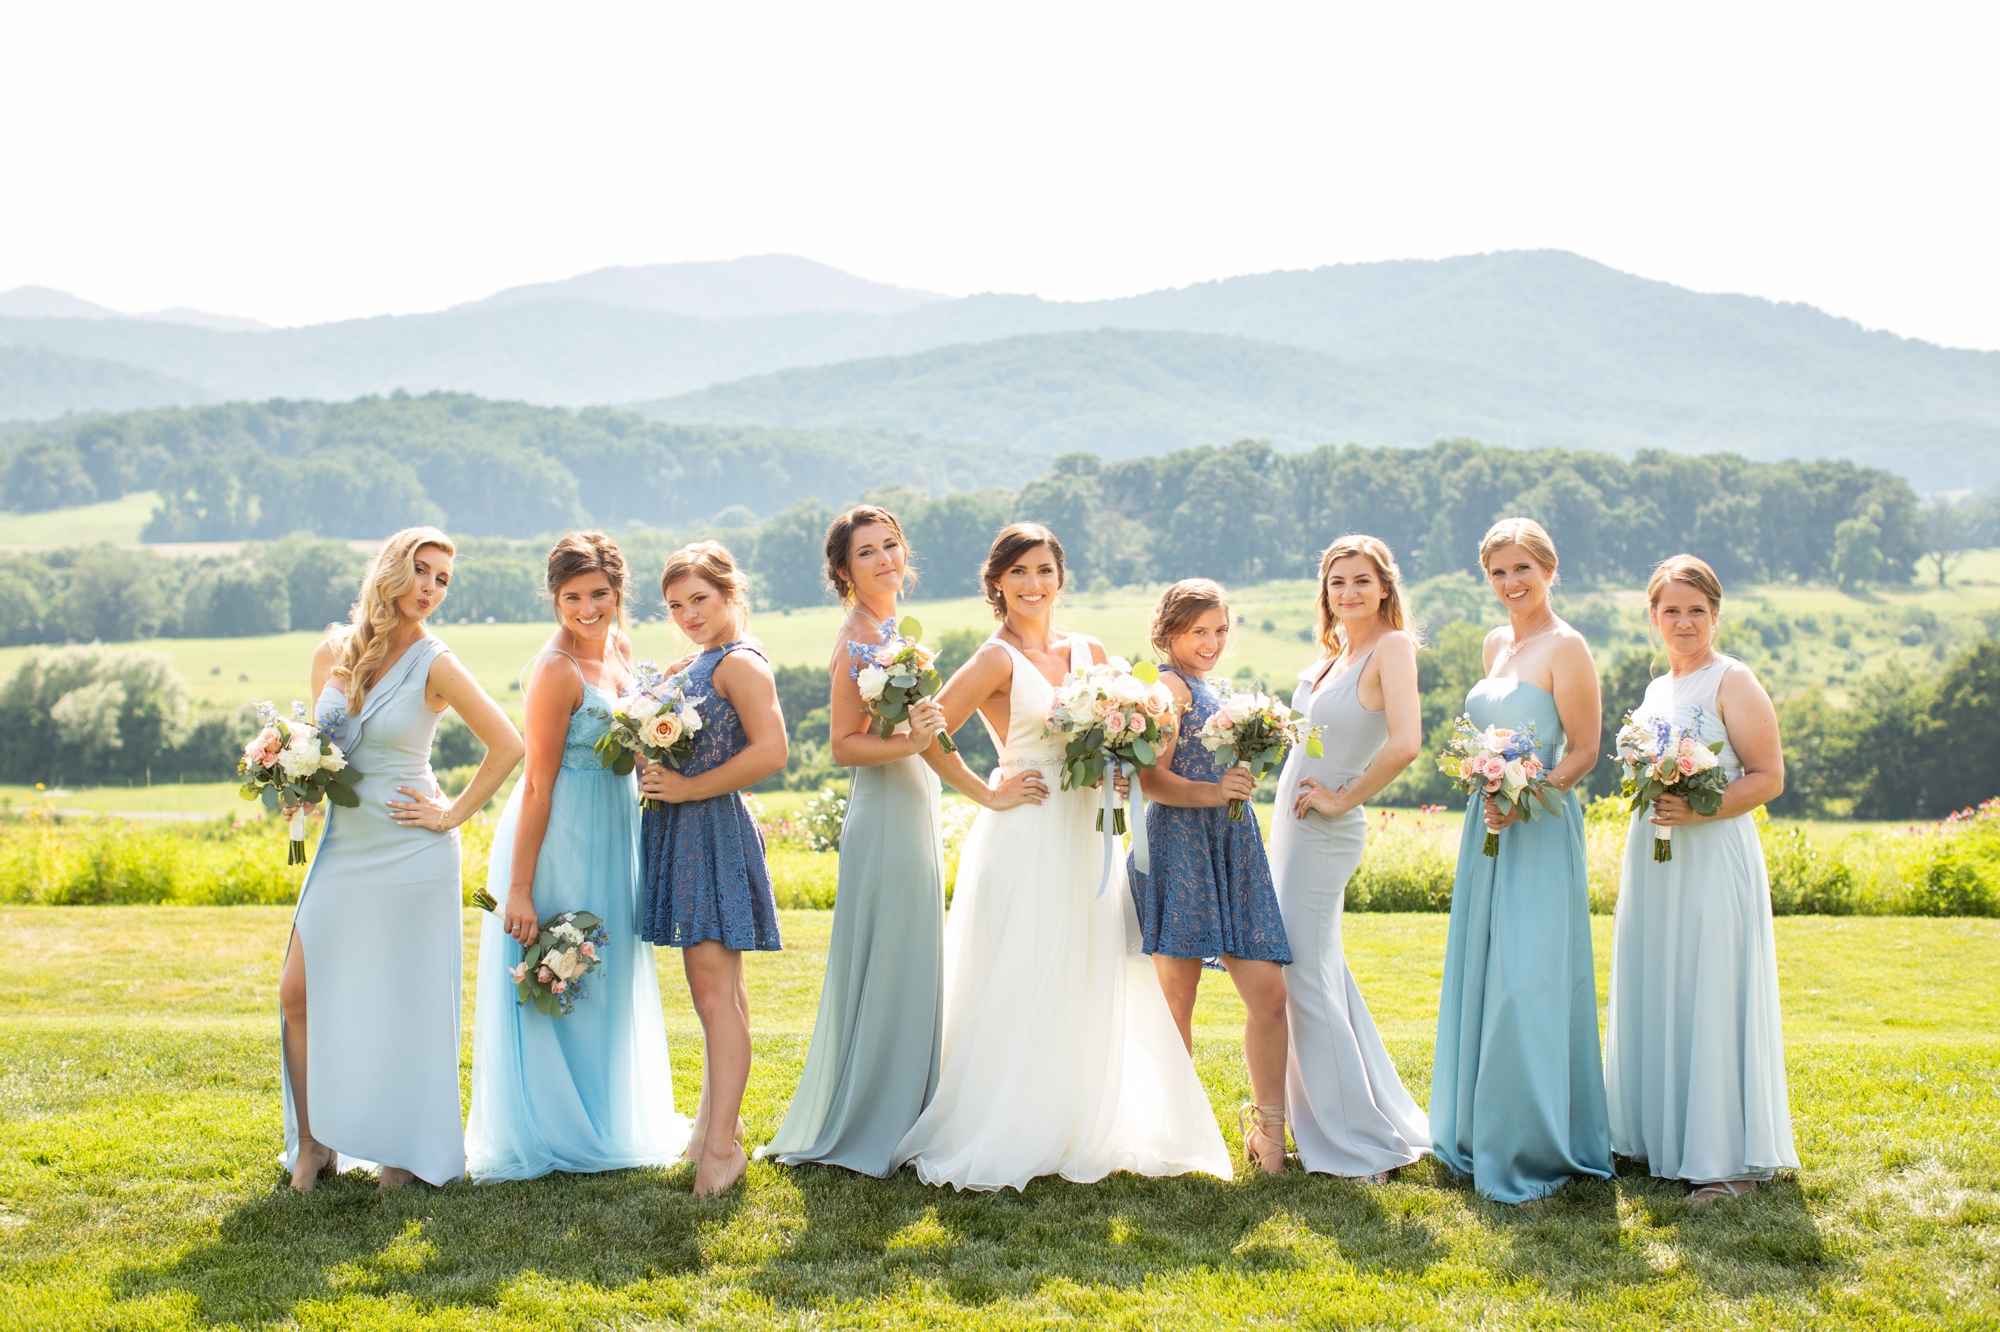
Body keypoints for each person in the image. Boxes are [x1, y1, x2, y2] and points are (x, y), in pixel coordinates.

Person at [890, 523, 1231, 1191]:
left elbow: (1115, 732)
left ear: (1060, 577)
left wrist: (1124, 766)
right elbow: (929, 733)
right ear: (997, 583)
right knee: (1025, 968)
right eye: (1018, 572)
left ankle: (1082, 1119)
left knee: (1087, 966)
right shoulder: (994, 658)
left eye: (1044, 569)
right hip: (1027, 827)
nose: (1033, 584)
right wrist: (986, 792)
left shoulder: (1090, 650)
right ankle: (1013, 1124)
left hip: (1089, 833)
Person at [280, 526, 524, 1190]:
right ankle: (313, 1143)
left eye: (443, 579)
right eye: (422, 570)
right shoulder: (334, 649)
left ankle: (407, 1151)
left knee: (406, 1005)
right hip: (343, 849)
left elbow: (507, 744)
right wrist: (296, 788)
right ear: (391, 569)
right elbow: (320, 747)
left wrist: (449, 814)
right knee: (297, 994)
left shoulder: (435, 660)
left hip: (412, 853)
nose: (431, 588)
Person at [466, 532, 690, 1180]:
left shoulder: (618, 649)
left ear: (619, 593)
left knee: (605, 975)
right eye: (573, 597)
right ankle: (554, 1126)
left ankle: (605, 1115)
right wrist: (518, 888)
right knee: (561, 968)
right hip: (559, 833)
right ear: (555, 598)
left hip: (614, 834)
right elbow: (536, 783)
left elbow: (634, 735)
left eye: (599, 594)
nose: (588, 609)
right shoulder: (555, 670)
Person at [761, 505, 954, 1176]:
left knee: (914, 951)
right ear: (843, 570)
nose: (884, 560)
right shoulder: (857, 641)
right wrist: (911, 741)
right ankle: (875, 1115)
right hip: (883, 812)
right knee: (891, 950)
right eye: (866, 552)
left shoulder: (894, 631)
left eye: (891, 546)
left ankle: (912, 1103)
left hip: (914, 799)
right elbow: (844, 745)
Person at [1429, 517, 1614, 1205]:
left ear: (1549, 568)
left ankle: (1534, 1140)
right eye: (1498, 573)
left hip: (1538, 822)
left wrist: (1526, 793)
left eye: (1522, 570)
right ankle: (1477, 1128)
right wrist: (1490, 788)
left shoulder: (1568, 647)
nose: (1511, 584)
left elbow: (1586, 751)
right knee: (1483, 970)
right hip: (1488, 824)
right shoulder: (1495, 644)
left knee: (1526, 978)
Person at [1605, 554, 1798, 1204]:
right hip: (1656, 857)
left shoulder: (1733, 681)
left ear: (1715, 613)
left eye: (1696, 609)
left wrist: (1699, 806)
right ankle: (1658, 1137)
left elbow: (1768, 777)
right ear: (1653, 617)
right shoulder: (1658, 690)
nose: (1683, 621)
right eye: (1670, 609)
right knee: (1660, 982)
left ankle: (1724, 1164)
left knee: (1710, 985)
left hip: (1713, 853)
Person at [1271, 536, 1429, 1181]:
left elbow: (1406, 742)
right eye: (1338, 583)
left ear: (1385, 587)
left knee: (1303, 977)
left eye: (1361, 581)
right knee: (1319, 973)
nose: (1349, 593)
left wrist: (1342, 798)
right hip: (1290, 825)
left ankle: (1359, 1145)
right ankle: (1357, 1116)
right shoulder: (1336, 654)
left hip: (1326, 828)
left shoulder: (1391, 648)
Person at [1127, 578, 1293, 1175]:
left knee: (1270, 994)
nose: (1211, 641)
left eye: (1220, 630)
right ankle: (1172, 1137)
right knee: (1178, 1001)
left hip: (1232, 843)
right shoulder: (1169, 687)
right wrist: (1214, 790)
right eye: (1199, 630)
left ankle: (1268, 1135)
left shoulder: (1210, 687)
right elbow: (1153, 779)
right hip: (1180, 845)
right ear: (1169, 631)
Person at [637, 541, 787, 1198]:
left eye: (700, 599)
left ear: (730, 594)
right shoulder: (698, 662)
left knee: (712, 998)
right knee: (722, 995)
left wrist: (690, 789)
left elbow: (772, 752)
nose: (689, 613)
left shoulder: (742, 664)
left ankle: (722, 1153)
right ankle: (708, 1134)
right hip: (681, 829)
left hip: (710, 832)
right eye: (675, 605)